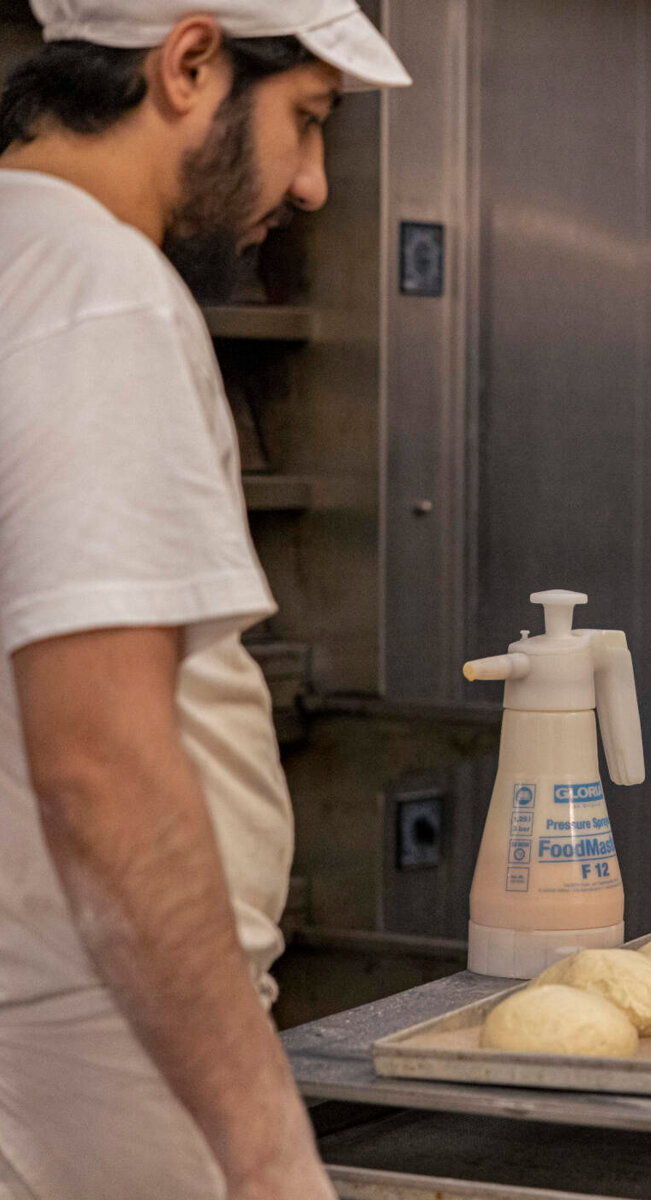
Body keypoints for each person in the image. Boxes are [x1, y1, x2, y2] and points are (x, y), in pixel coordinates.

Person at [0, 3, 408, 1197]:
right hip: (89, 1060)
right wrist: (269, 1151)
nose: (315, 183)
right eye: (308, 122)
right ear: (189, 65)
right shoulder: (99, 291)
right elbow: (103, 761)